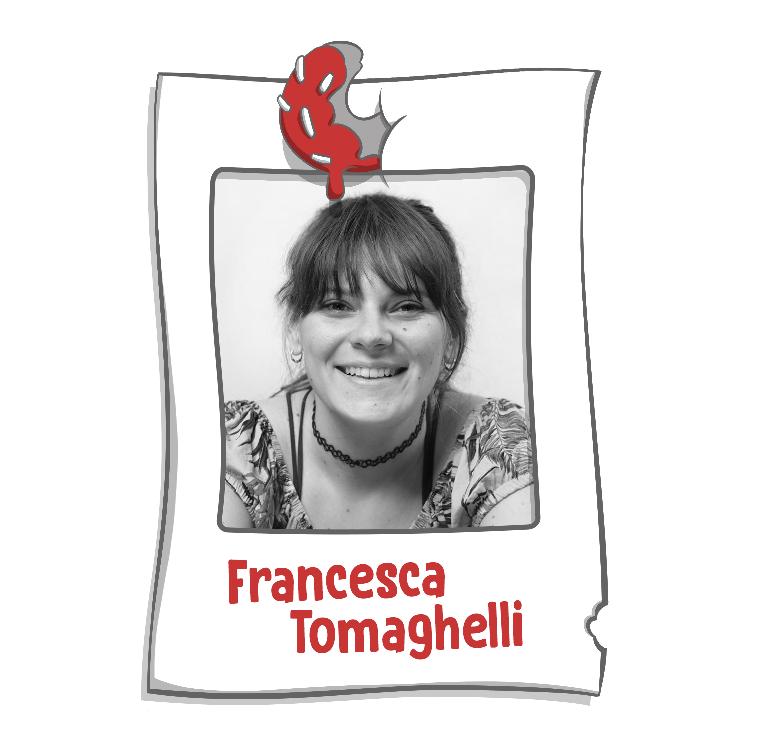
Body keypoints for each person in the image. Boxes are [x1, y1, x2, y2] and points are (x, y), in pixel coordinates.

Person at [221, 192, 533, 530]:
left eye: (407, 306)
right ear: (296, 330)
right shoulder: (236, 446)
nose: (371, 335)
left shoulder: (498, 443)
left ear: (451, 337)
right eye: (337, 305)